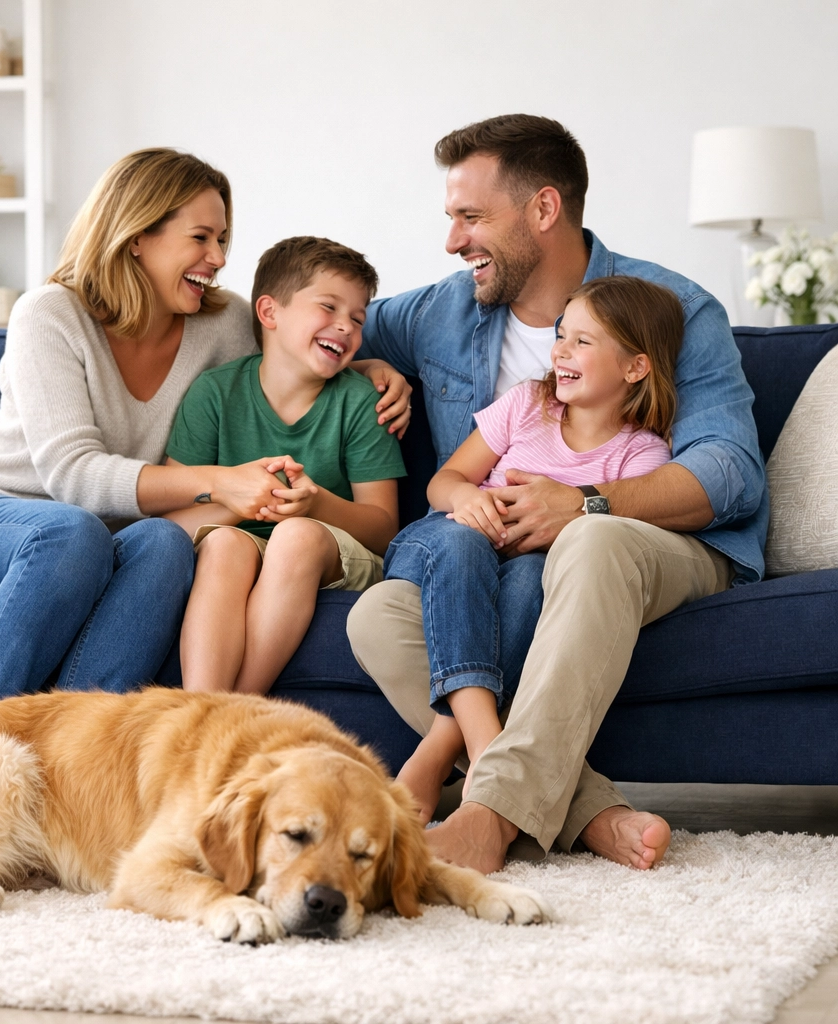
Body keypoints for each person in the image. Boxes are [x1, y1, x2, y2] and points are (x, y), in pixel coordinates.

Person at [346, 114, 766, 872]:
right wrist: (364, 368)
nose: (452, 241)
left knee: (592, 539)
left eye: (471, 218)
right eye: (451, 218)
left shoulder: (670, 308)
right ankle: (589, 811)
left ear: (544, 210)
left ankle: (489, 812)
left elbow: (729, 475)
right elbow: (315, 328)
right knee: (379, 614)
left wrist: (587, 503)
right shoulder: (441, 310)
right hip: (491, 545)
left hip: (654, 546)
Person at [0, 149, 410, 713]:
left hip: (110, 540)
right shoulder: (50, 314)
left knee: (165, 542)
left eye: (222, 240)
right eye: (201, 238)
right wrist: (220, 483)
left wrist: (367, 370)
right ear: (138, 235)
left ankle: (82, 762)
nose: (217, 258)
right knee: (71, 533)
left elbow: (287, 359)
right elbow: (71, 474)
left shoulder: (221, 323)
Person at [387, 276, 683, 822]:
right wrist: (465, 500)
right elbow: (445, 480)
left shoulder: (639, 457)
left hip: (523, 573)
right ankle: (484, 750)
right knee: (462, 537)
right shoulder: (527, 403)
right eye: (560, 335)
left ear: (635, 367)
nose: (560, 352)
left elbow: (601, 542)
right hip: (444, 549)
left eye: (583, 342)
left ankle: (445, 754)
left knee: (529, 580)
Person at [163, 236, 406, 695]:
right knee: (224, 547)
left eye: (357, 318)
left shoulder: (360, 402)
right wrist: (243, 500)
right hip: (240, 542)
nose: (346, 327)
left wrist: (315, 504)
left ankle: (239, 708)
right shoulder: (214, 394)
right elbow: (173, 522)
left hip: (331, 550)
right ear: (270, 313)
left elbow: (386, 529)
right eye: (328, 307)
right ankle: (200, 708)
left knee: (295, 536)